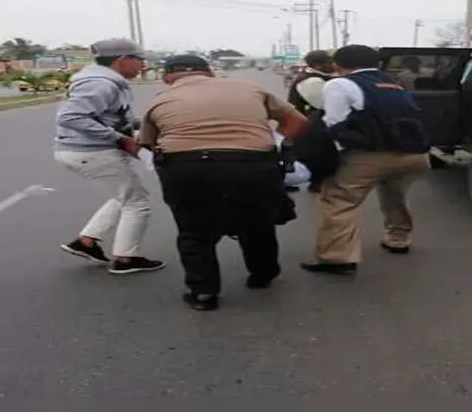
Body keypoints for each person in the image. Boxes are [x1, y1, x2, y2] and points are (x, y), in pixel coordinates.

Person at [139, 55, 308, 311]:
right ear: (210, 72)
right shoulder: (249, 87)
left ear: (167, 77)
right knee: (257, 223)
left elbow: (150, 143)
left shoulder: (161, 99)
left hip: (188, 167)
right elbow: (298, 121)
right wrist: (274, 143)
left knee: (194, 231)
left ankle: (204, 293)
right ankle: (263, 275)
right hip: (253, 163)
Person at [300, 44, 432, 275]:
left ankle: (337, 258)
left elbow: (335, 123)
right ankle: (398, 239)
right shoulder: (394, 82)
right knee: (394, 194)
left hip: (370, 156)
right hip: (415, 155)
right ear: (378, 64)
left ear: (338, 65)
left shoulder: (339, 84)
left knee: (339, 200)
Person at [53, 38, 165, 275]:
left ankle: (86, 241)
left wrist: (149, 125)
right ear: (122, 59)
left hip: (85, 150)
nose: (142, 65)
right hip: (93, 151)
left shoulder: (106, 82)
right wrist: (120, 138)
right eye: (139, 59)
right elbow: (71, 118)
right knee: (137, 202)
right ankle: (126, 258)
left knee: (124, 195)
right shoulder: (100, 84)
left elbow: (112, 116)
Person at [287, 50, 336, 115]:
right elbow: (325, 105)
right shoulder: (311, 82)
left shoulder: (319, 76)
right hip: (307, 122)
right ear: (317, 66)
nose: (334, 65)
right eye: (330, 63)